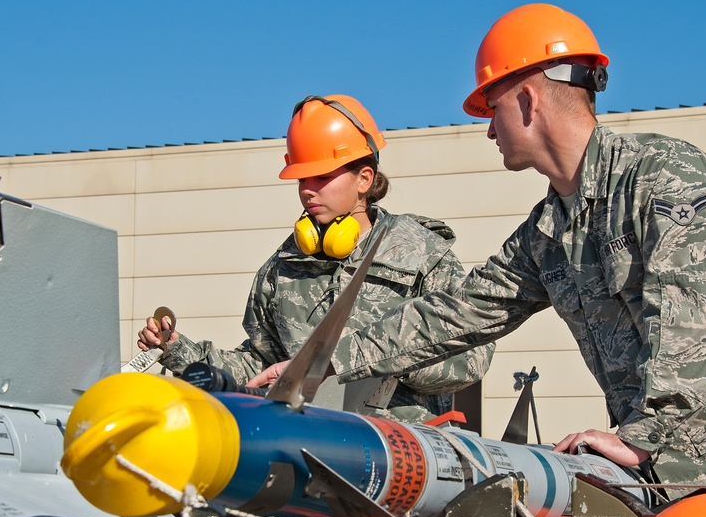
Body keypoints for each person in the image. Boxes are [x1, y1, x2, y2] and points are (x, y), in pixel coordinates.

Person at [252, 3, 706, 499]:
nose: (489, 130)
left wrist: (643, 437)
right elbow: (458, 312)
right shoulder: (547, 233)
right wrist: (327, 360)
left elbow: (692, 318)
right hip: (665, 476)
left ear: (528, 100)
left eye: (493, 110)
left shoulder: (664, 176)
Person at [137, 94, 491, 423]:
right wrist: (176, 349)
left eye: (322, 176)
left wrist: (375, 357)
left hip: (402, 455)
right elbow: (260, 365)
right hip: (311, 447)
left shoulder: (422, 254)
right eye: (303, 178)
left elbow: (471, 358)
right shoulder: (281, 269)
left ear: (364, 178)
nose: (308, 189)